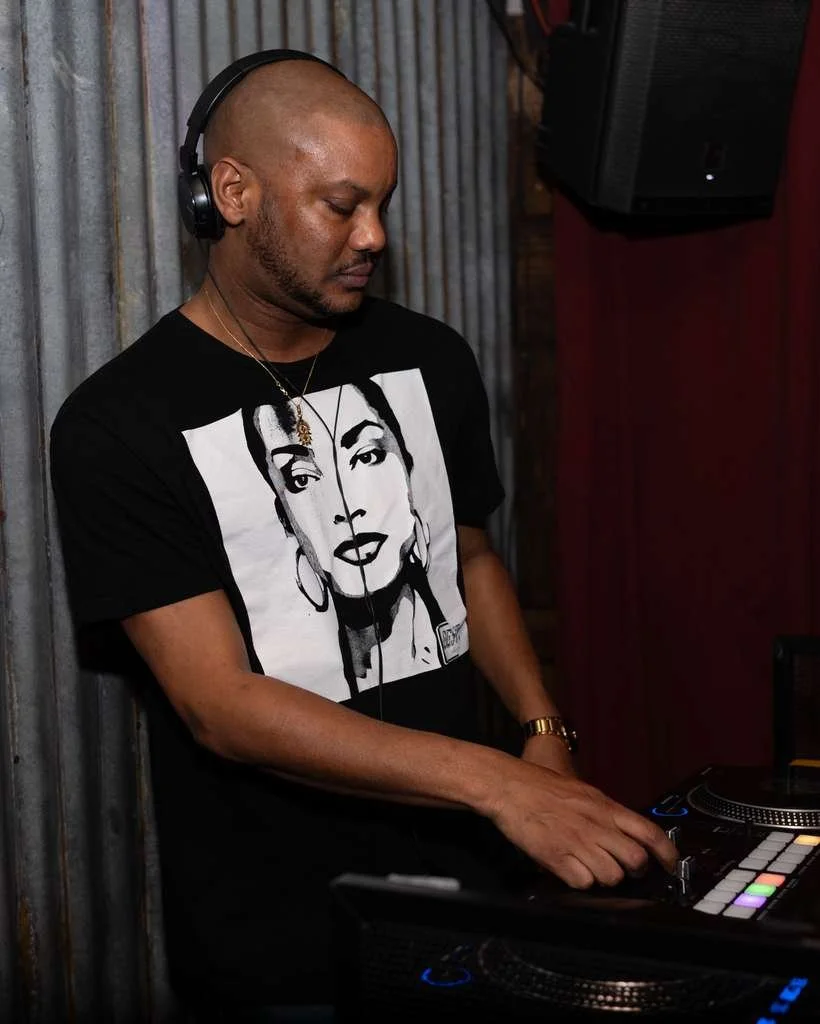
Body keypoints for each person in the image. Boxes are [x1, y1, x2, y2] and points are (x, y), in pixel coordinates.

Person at [50, 49, 677, 1021]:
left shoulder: (429, 358)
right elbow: (218, 703)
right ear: (233, 191)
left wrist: (540, 731)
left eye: (381, 202)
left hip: (475, 877)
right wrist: (496, 783)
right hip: (283, 936)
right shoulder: (119, 424)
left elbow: (464, 553)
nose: (373, 234)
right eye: (340, 205)